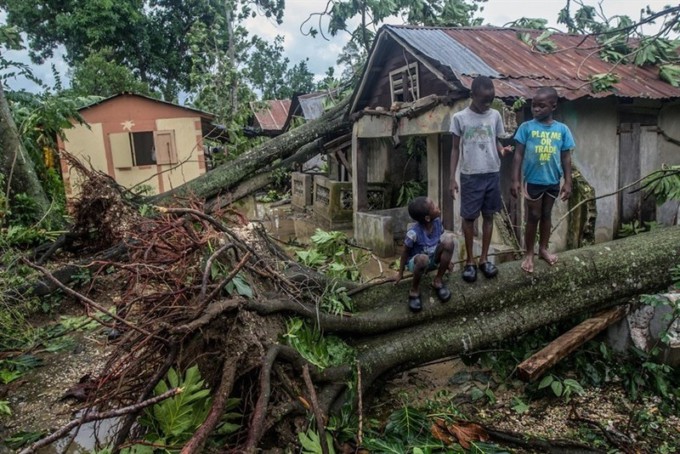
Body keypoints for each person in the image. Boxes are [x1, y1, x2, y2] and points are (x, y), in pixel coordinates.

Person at [450, 76, 512, 283]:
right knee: (469, 218)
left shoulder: (495, 115)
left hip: (492, 173)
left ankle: (484, 259)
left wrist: (502, 150)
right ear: (473, 95)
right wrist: (452, 178)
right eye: (484, 99)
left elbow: (496, 139)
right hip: (470, 175)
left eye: (491, 99)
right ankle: (469, 261)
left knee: (488, 216)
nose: (488, 103)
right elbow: (455, 148)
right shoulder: (459, 118)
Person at [511, 86, 575, 273]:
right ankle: (529, 253)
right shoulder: (526, 128)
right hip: (533, 181)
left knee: (547, 215)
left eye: (541, 106)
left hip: (553, 181)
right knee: (533, 216)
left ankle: (543, 249)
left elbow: (566, 157)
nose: (536, 109)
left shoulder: (562, 130)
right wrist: (515, 179)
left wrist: (568, 181)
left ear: (553, 106)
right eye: (533, 106)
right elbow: (518, 156)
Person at [395, 196, 455, 312]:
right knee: (423, 259)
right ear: (427, 218)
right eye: (433, 206)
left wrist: (446, 261)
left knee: (449, 242)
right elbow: (405, 253)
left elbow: (438, 242)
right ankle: (414, 290)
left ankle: (437, 281)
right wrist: (400, 273)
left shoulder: (437, 223)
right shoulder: (413, 233)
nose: (437, 206)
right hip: (418, 262)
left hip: (432, 259)